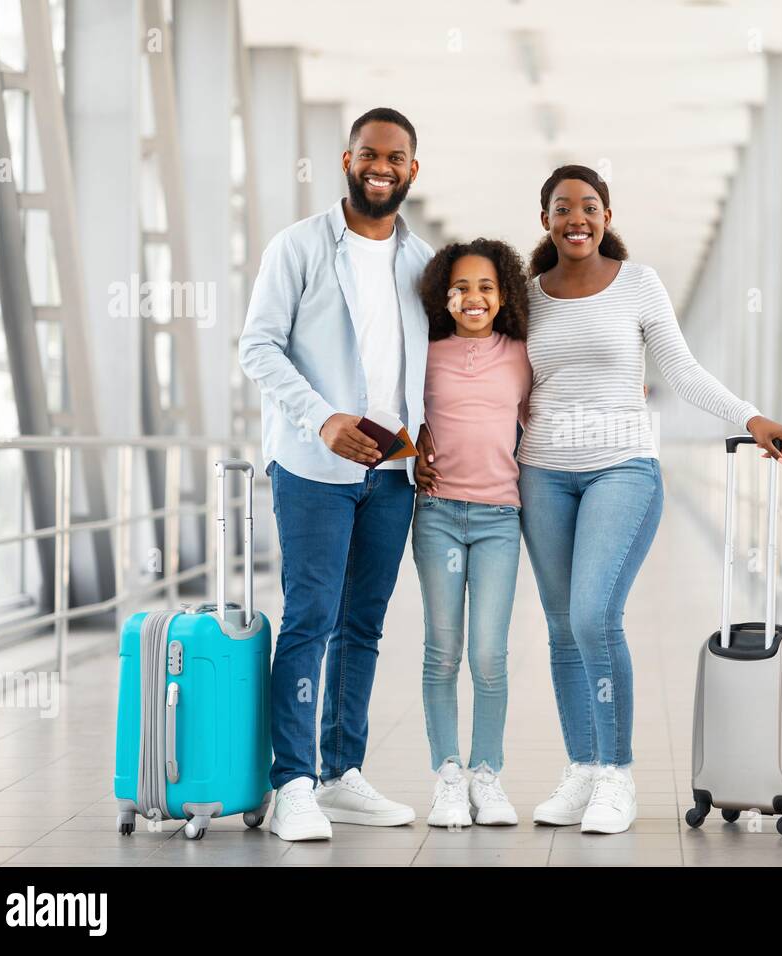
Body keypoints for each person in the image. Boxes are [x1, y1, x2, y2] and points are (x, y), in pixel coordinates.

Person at [515, 165, 782, 834]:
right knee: (560, 627)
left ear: (607, 217)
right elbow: (498, 379)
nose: (576, 217)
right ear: (546, 220)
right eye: (562, 208)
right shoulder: (528, 297)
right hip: (542, 472)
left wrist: (749, 417)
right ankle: (582, 768)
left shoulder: (638, 284)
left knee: (592, 615)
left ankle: (616, 775)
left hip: (623, 469)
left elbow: (683, 371)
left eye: (589, 206)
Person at [238, 107, 430, 841]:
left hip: (391, 474)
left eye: (396, 157)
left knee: (363, 625)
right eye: (368, 154)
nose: (381, 166)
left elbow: (432, 363)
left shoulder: (422, 261)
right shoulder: (298, 247)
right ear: (346, 160)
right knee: (311, 616)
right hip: (314, 465)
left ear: (413, 170)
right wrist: (322, 417)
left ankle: (342, 771)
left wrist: (429, 436)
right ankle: (293, 781)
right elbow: (258, 347)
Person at [410, 239, 532, 828]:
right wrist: (412, 453)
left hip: (499, 521)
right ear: (443, 296)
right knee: (442, 651)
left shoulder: (521, 355)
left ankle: (487, 774)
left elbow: (547, 415)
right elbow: (397, 411)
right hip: (437, 516)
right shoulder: (425, 354)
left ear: (503, 294)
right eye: (460, 287)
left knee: (488, 653)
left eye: (486, 286)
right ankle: (449, 776)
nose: (474, 297)